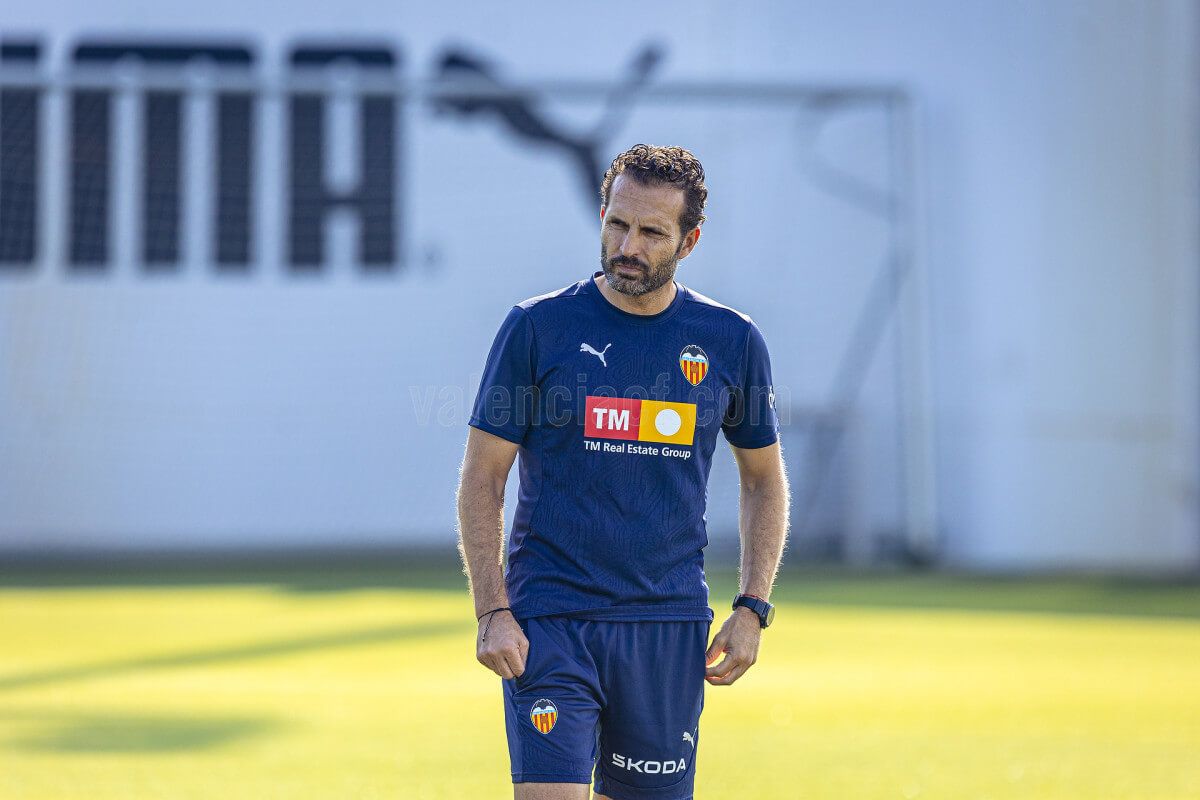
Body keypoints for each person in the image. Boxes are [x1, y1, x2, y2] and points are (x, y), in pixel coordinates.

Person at [457, 143, 789, 800]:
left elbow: (764, 479)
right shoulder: (537, 328)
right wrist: (492, 609)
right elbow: (482, 478)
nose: (627, 246)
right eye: (617, 223)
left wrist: (752, 607)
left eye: (651, 233)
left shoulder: (731, 341)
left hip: (667, 626)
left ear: (689, 241)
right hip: (552, 619)